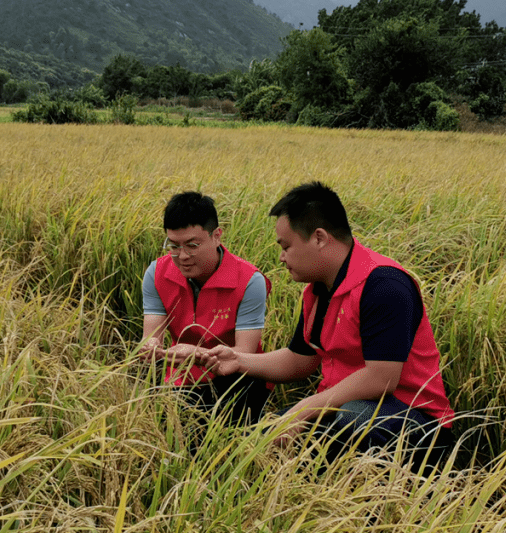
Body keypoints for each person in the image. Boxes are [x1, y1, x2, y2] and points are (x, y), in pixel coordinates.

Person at [203, 181, 454, 464]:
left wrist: (304, 408)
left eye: (286, 246)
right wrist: (238, 360)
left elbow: (381, 378)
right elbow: (300, 360)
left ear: (320, 238)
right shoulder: (318, 291)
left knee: (352, 420)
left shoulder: (383, 285)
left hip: (414, 421)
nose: (282, 258)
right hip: (343, 410)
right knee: (262, 434)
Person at [140, 191, 271, 425]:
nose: (182, 256)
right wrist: (150, 347)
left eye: (192, 245)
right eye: (173, 246)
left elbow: (244, 353)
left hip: (235, 378)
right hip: (180, 376)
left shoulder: (250, 281)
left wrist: (197, 355)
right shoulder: (156, 273)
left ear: (217, 236)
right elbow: (151, 338)